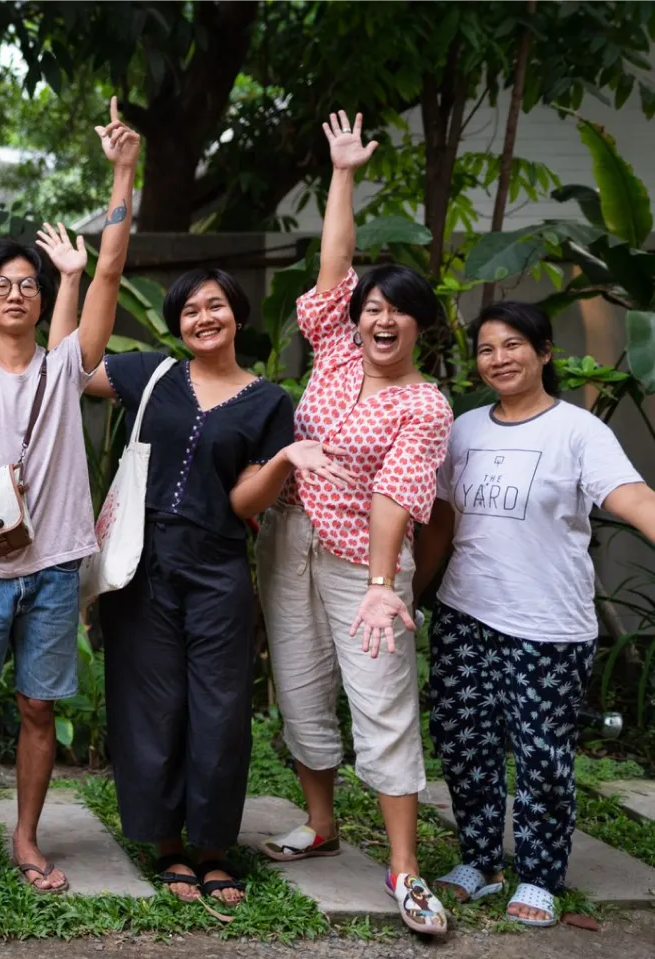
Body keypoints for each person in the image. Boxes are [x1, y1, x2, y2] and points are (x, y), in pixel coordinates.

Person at [0, 98, 139, 905]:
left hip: (52, 569)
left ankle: (26, 835)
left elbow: (108, 270)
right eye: (2, 285)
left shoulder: (66, 370)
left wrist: (123, 171)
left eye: (29, 285)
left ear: (43, 303)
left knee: (39, 708)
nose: (16, 292)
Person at [81, 264, 347, 913]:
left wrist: (283, 458)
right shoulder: (151, 373)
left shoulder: (267, 401)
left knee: (221, 708)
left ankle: (213, 849)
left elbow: (240, 498)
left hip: (218, 565)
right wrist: (76, 279)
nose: (204, 317)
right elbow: (77, 369)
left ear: (237, 313)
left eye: (216, 305)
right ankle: (166, 842)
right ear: (177, 323)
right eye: (191, 309)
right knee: (149, 703)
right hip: (141, 563)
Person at [254, 112, 454, 936]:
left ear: (419, 327)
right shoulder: (335, 354)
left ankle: (404, 868)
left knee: (380, 699)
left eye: (396, 312)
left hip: (364, 560)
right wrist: (342, 173)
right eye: (371, 308)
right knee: (300, 683)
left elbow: (397, 494)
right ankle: (321, 821)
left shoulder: (425, 402)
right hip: (290, 537)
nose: (377, 319)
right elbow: (333, 271)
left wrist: (380, 584)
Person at [414, 301, 655, 926]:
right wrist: (414, 587)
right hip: (466, 612)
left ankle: (542, 875)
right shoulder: (464, 429)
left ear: (544, 352)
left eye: (514, 345)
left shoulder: (578, 432)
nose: (500, 358)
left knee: (543, 754)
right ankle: (481, 860)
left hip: (547, 622)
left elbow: (630, 496)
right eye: (488, 349)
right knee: (465, 743)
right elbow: (442, 519)